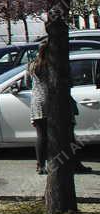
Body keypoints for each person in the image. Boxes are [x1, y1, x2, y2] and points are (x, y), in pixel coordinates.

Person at [28, 42, 91, 175]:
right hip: (56, 101)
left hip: (38, 102)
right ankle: (76, 164)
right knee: (68, 135)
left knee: (42, 136)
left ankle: (40, 165)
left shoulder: (32, 65)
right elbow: (66, 82)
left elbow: (29, 83)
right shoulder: (53, 65)